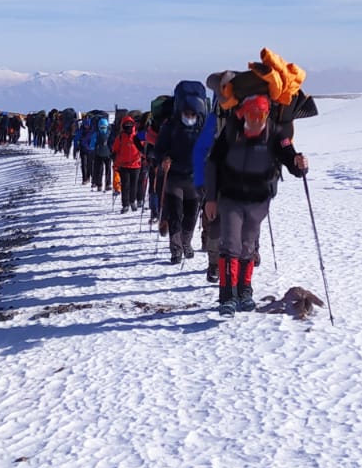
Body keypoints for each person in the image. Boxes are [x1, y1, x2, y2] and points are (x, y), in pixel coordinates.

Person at [203, 94, 309, 314]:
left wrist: (300, 165)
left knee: (248, 246)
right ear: (243, 114)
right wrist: (211, 198)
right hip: (231, 198)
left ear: (267, 114)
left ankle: (245, 292)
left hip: (258, 201)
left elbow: (291, 161)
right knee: (231, 244)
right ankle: (227, 297)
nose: (256, 119)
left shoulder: (276, 135)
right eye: (252, 114)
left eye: (260, 115)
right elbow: (212, 163)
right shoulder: (231, 132)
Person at [155, 99, 205, 264]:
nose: (189, 116)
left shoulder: (201, 129)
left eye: (192, 113)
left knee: (191, 214)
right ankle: (176, 250)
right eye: (187, 113)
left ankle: (186, 243)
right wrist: (164, 158)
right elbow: (159, 149)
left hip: (193, 178)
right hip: (174, 178)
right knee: (175, 214)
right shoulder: (170, 128)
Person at [111, 116, 145, 212]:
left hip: (136, 164)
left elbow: (142, 148)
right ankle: (125, 204)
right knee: (125, 185)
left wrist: (144, 157)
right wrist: (113, 155)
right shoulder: (120, 137)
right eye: (126, 125)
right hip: (124, 165)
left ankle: (132, 202)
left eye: (130, 125)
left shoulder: (137, 136)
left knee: (134, 185)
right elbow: (115, 149)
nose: (128, 127)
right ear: (123, 126)